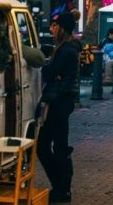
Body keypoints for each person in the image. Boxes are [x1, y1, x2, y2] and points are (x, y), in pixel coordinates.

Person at [38, 11, 80, 203]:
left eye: (55, 25)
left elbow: (48, 72)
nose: (52, 28)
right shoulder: (65, 49)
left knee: (49, 145)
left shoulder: (65, 51)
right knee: (55, 145)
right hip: (61, 101)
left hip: (60, 102)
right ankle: (61, 187)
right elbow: (52, 73)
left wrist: (53, 73)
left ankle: (62, 187)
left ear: (62, 28)